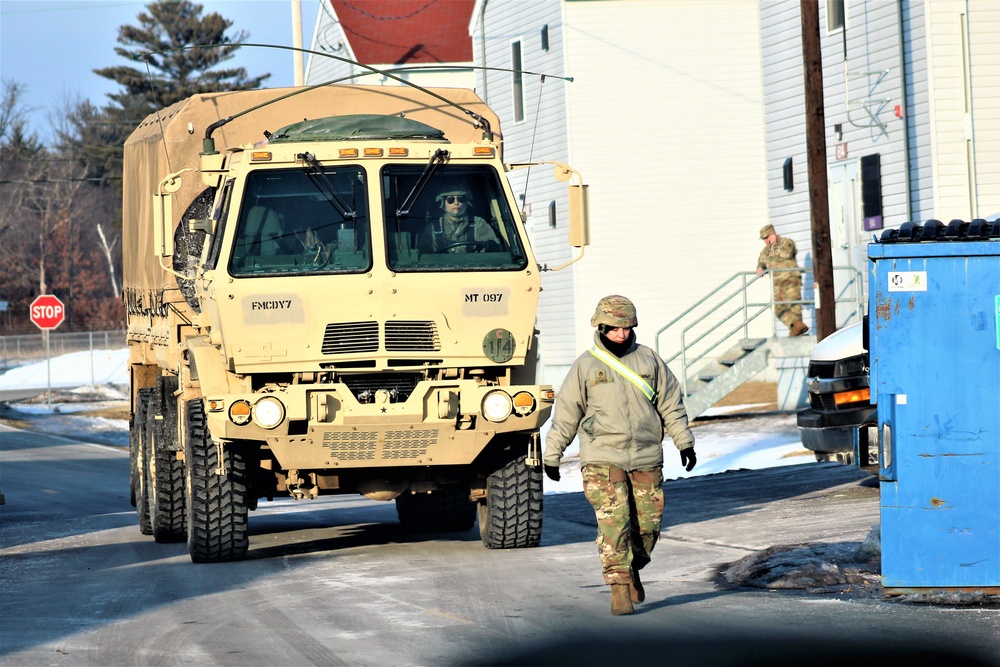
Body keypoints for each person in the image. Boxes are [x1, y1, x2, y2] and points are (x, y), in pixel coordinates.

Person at [544, 295, 697, 616]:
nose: (621, 334)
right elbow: (567, 413)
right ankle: (619, 589)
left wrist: (684, 442)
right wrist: (553, 454)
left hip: (646, 455)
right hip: (601, 457)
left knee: (648, 527)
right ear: (601, 327)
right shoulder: (586, 366)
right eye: (615, 328)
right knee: (615, 525)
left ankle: (632, 568)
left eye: (626, 328)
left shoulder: (649, 360)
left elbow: (671, 404)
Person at [756, 224, 809, 336]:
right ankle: (796, 326)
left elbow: (788, 253)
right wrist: (760, 267)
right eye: (763, 239)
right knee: (777, 308)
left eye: (767, 237)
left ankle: (798, 334)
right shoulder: (765, 251)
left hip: (790, 280)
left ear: (772, 234)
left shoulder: (787, 242)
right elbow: (761, 261)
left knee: (794, 307)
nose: (766, 241)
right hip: (777, 283)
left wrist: (774, 247)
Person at [417, 184, 501, 253]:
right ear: (442, 203)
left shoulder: (478, 224)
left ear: (467, 203)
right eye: (450, 200)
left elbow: (493, 250)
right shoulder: (432, 229)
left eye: (461, 199)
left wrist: (490, 244)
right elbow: (425, 257)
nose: (456, 203)